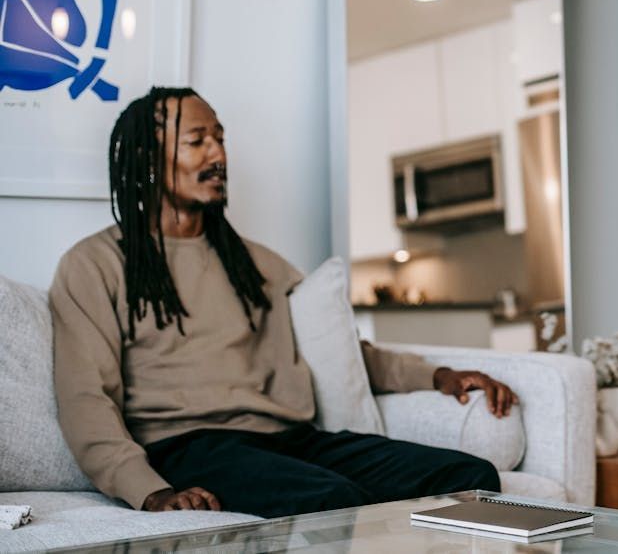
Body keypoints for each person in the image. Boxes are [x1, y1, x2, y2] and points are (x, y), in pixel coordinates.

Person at [51, 87, 518, 518]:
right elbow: (85, 399)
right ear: (146, 158)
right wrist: (150, 491)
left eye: (220, 138)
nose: (218, 154)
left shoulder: (259, 265)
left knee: (469, 478)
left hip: (289, 439)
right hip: (186, 447)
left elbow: (342, 351)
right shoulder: (96, 265)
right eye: (197, 141)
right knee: (332, 502)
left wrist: (438, 376)